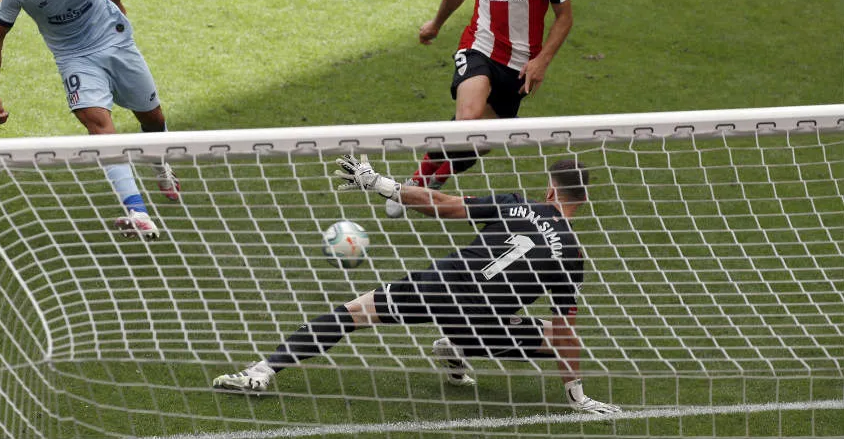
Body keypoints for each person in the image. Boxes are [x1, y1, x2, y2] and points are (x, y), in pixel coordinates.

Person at [213, 155, 620, 415]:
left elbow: (442, 204)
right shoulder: (572, 255)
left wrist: (381, 184)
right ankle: (458, 346)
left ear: (550, 190)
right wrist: (577, 395)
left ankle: (262, 371)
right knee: (552, 334)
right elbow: (566, 332)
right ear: (582, 201)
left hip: (440, 283)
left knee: (353, 314)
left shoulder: (517, 204)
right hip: (479, 318)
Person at [387, 0, 573, 218]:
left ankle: (438, 173)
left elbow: (565, 17)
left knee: (481, 140)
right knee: (469, 119)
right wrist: (435, 24)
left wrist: (542, 61)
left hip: (518, 66)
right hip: (478, 48)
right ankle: (417, 181)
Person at [0, 0, 178, 239]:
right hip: (74, 58)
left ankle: (160, 165)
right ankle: (138, 212)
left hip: (114, 39)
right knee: (99, 126)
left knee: (153, 118)